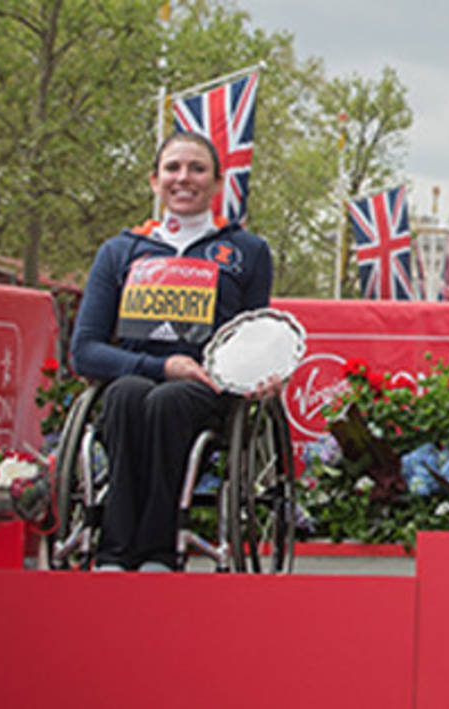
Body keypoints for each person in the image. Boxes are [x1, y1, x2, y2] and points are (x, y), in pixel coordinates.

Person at [70, 132, 275, 571]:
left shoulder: (248, 252)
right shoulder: (119, 252)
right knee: (127, 395)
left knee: (169, 400)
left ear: (218, 184)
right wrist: (162, 365)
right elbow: (84, 351)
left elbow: (257, 339)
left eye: (197, 169)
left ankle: (160, 551)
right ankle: (114, 552)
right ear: (154, 180)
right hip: (133, 378)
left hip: (204, 390)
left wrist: (267, 372)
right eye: (173, 168)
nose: (184, 178)